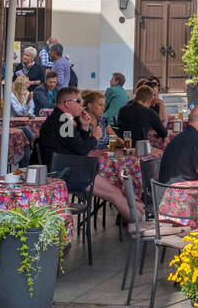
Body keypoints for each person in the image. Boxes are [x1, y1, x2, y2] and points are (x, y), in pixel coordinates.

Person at [38, 87, 142, 220]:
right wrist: (95, 137)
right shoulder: (64, 120)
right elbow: (82, 150)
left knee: (117, 191)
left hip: (67, 169)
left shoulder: (62, 118)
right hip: (64, 173)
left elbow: (76, 145)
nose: (81, 105)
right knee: (115, 193)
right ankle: (141, 223)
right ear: (67, 103)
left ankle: (143, 217)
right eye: (78, 101)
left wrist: (85, 127)